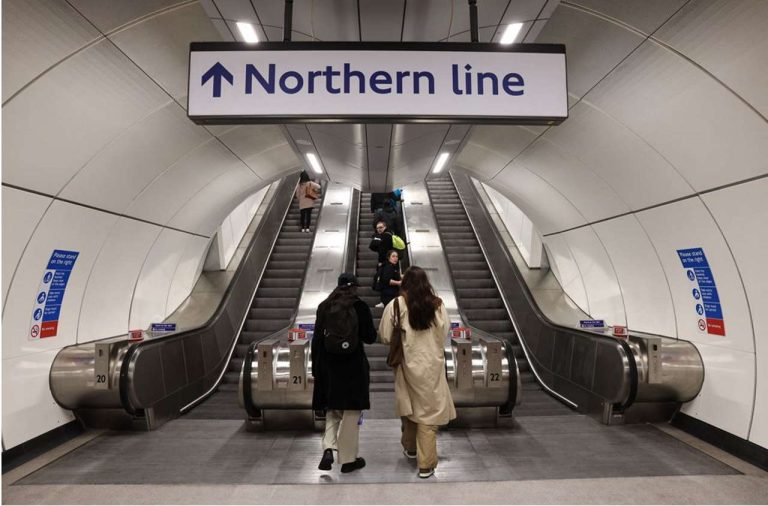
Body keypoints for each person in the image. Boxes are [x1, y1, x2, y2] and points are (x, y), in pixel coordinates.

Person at [378, 266, 456, 479]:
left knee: (410, 406)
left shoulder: (396, 305)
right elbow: (446, 330)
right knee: (428, 413)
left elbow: (385, 336)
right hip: (432, 365)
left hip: (406, 365)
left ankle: (411, 448)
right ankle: (426, 465)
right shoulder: (438, 306)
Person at [311, 272, 377, 473]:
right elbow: (370, 337)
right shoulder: (360, 306)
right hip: (353, 366)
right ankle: (348, 460)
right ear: (355, 287)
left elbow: (317, 340)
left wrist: (316, 369)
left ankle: (329, 448)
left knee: (332, 409)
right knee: (350, 412)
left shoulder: (324, 306)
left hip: (329, 365)